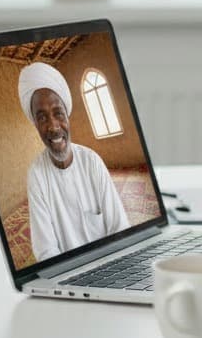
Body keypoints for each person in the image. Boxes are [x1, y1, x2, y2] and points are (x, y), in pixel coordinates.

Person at [19, 61, 129, 261]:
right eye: (42, 118)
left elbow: (119, 227)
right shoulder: (37, 174)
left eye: (58, 113)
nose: (53, 126)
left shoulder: (92, 161)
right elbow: (46, 252)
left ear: (67, 116)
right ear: (35, 124)